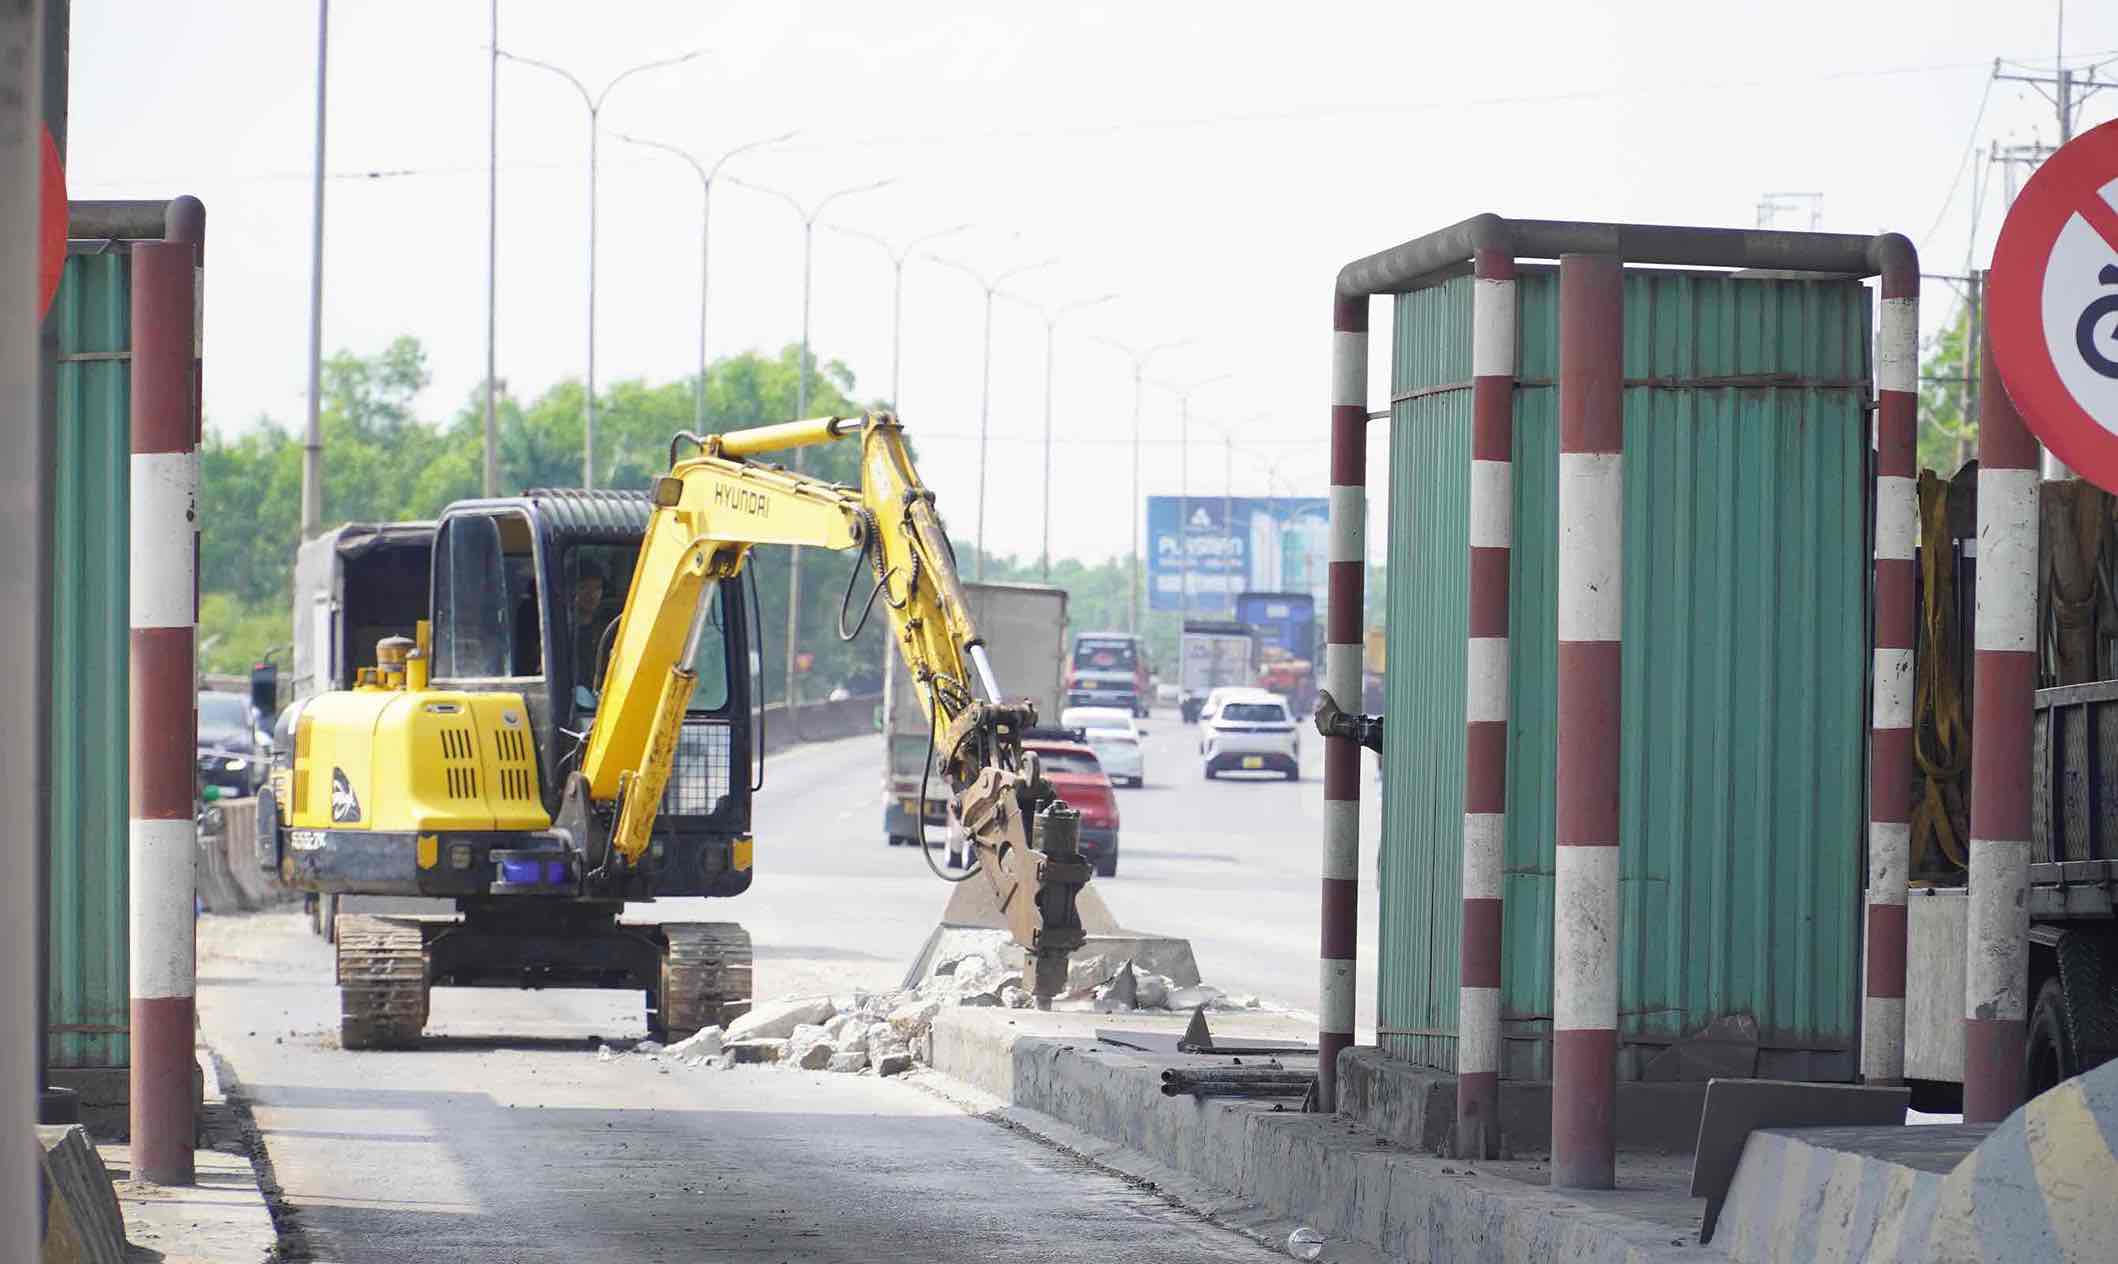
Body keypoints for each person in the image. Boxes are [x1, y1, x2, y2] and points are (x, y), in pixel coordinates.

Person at [571, 558, 607, 691]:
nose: (591, 595)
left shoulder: (607, 631)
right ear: (571, 591)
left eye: (597, 588)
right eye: (584, 587)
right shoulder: (560, 633)